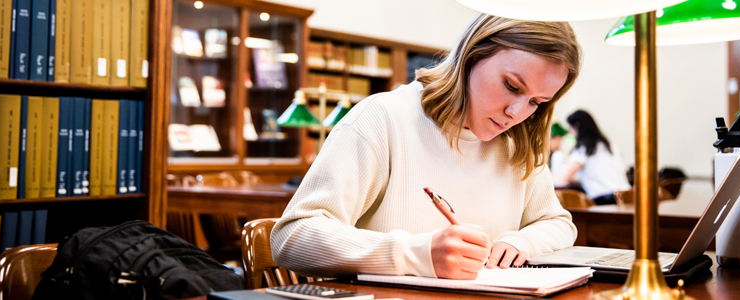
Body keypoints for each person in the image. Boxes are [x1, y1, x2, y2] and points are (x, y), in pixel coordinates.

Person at [270, 13, 582, 280]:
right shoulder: (382, 119)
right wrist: (416, 255)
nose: (516, 113)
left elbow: (556, 223)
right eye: (512, 86)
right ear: (472, 55)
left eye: (536, 102)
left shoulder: (519, 142)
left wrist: (522, 242)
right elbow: (292, 237)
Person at [554, 110, 631, 205]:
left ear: (576, 127)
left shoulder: (583, 148)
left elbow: (562, 180)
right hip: (628, 197)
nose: (571, 134)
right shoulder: (609, 145)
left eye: (570, 130)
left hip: (605, 201)